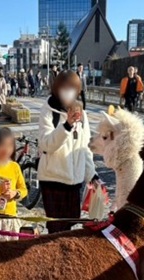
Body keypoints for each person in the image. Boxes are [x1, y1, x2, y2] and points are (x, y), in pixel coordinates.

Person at [38, 70, 98, 233]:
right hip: (52, 179)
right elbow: (45, 144)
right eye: (63, 88)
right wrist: (66, 126)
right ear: (56, 89)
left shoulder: (82, 114)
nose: (67, 93)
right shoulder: (49, 111)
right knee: (56, 227)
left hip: (74, 182)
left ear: (78, 90)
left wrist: (92, 175)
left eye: (71, 88)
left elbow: (84, 147)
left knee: (71, 224)